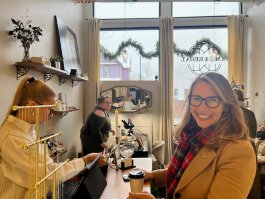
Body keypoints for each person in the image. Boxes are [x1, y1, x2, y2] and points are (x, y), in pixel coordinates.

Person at [128, 72, 256, 199]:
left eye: (212, 100)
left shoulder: (239, 151)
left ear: (226, 105)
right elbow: (185, 173)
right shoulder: (193, 135)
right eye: (197, 98)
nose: (202, 107)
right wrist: (152, 175)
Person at [0, 76, 107, 198]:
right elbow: (49, 174)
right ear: (31, 106)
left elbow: (43, 171)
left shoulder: (28, 131)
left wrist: (78, 169)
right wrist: (84, 160)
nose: (51, 114)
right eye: (50, 109)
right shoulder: (13, 137)